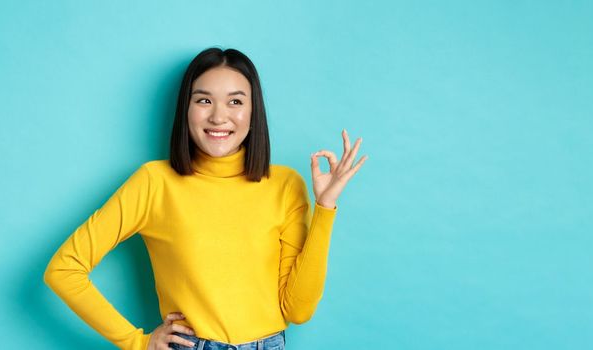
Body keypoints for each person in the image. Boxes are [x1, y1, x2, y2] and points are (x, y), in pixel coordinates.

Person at [44, 47, 367, 350]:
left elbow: (296, 310)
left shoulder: (285, 185)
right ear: (186, 109)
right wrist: (136, 342)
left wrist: (325, 208)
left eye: (236, 102)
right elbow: (64, 269)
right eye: (203, 100)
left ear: (254, 113)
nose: (218, 117)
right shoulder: (155, 183)